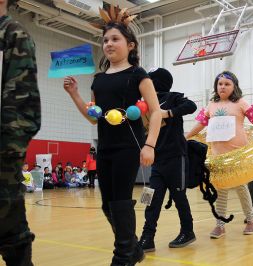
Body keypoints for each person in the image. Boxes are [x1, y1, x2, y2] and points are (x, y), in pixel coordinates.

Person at [63, 6, 161, 265]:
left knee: (119, 202)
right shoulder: (98, 80)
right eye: (105, 40)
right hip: (105, 148)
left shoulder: (138, 75)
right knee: (108, 205)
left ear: (130, 45)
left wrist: (149, 145)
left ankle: (123, 257)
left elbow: (157, 113)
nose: (108, 43)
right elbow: (94, 115)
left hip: (129, 147)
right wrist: (75, 94)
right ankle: (134, 249)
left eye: (115, 39)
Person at [186, 71, 253, 239]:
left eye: (227, 84)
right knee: (221, 189)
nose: (222, 86)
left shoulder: (240, 103)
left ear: (234, 86)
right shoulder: (211, 105)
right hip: (218, 156)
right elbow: (200, 125)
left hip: (239, 154)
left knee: (240, 187)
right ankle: (220, 225)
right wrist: (185, 137)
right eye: (220, 84)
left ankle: (251, 220)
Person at [0, 0, 41, 264]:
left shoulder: (13, 33)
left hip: (2, 154)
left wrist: (7, 155)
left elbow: (25, 106)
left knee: (10, 232)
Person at [138, 67, 197, 252]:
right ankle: (147, 238)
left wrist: (168, 112)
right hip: (157, 161)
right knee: (151, 200)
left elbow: (191, 106)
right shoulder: (145, 105)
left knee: (179, 197)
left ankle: (188, 232)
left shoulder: (173, 97)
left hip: (176, 157)